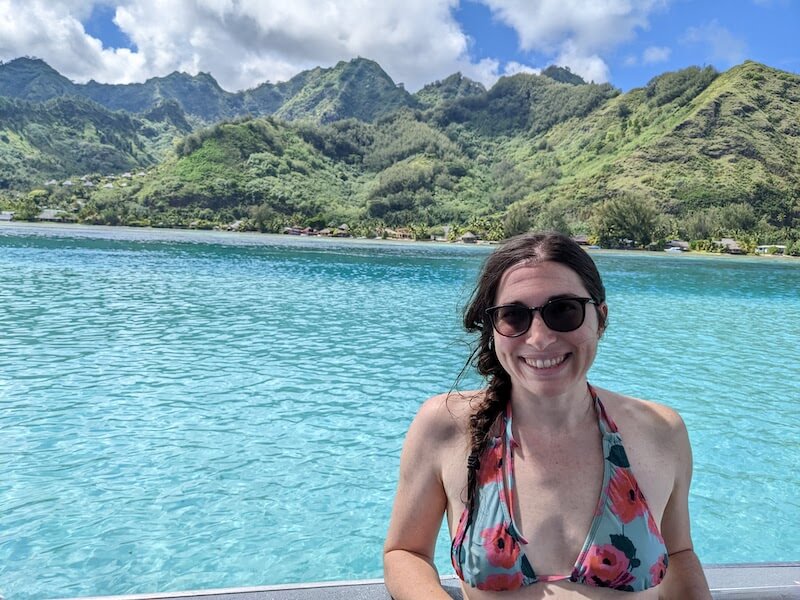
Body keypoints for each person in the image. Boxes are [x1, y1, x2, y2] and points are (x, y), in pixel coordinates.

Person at [384, 232, 710, 599]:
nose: (539, 338)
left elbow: (679, 553)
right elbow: (405, 552)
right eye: (514, 316)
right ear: (494, 330)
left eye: (564, 311)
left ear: (600, 318)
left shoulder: (661, 431)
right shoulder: (446, 425)